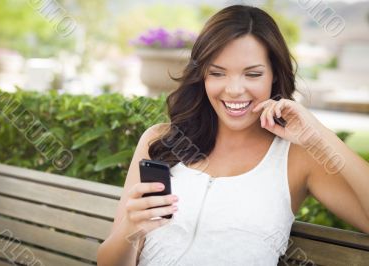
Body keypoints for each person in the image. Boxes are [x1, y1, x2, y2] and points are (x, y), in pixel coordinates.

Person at [97, 4, 369, 266]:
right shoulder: (160, 141)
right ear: (202, 74)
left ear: (274, 76)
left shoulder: (297, 156)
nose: (234, 89)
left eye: (252, 74)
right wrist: (131, 228)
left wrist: (319, 134)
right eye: (217, 73)